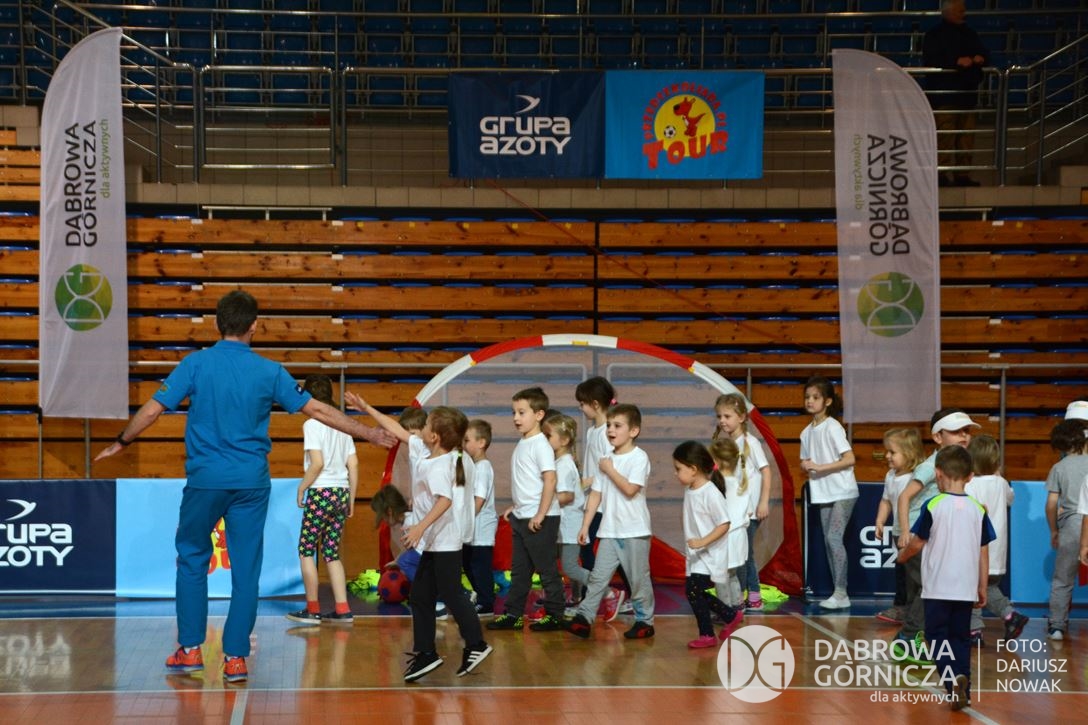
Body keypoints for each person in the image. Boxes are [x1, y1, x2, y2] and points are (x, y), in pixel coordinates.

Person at [93, 290, 394, 684]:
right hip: (251, 484)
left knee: (192, 559)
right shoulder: (269, 371)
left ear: (218, 323)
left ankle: (190, 649)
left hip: (205, 482)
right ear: (254, 325)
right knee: (247, 569)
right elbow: (319, 409)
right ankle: (235, 658)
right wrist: (369, 433)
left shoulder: (195, 364)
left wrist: (122, 441)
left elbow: (151, 410)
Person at [344, 395, 491, 681]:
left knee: (451, 594)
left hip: (444, 540)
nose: (421, 427)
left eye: (426, 425)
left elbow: (445, 500)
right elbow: (398, 431)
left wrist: (419, 527)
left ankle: (476, 644)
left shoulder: (440, 465)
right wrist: (367, 407)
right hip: (435, 541)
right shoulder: (427, 451)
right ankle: (426, 652)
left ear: (435, 436)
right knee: (422, 596)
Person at [898, 445, 996, 712]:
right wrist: (982, 585)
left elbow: (917, 542)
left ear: (938, 474)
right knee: (960, 638)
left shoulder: (933, 505)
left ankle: (952, 682)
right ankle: (964, 688)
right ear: (970, 476)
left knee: (935, 637)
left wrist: (902, 556)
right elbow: (983, 550)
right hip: (965, 588)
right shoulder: (978, 509)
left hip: (938, 588)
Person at [566, 404, 656, 640]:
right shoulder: (606, 460)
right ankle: (584, 617)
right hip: (609, 531)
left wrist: (610, 470)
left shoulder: (639, 457)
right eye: (608, 425)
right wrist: (585, 525)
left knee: (638, 580)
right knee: (598, 577)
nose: (610, 430)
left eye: (617, 426)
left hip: (634, 531)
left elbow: (630, 489)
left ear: (634, 431)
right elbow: (596, 494)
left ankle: (645, 620)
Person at [895, 407, 979, 655]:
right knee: (929, 586)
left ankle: (916, 638)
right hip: (917, 533)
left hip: (931, 533)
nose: (964, 435)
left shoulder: (956, 464)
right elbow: (904, 496)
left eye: (966, 430)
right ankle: (908, 637)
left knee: (923, 588)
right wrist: (905, 531)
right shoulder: (931, 465)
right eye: (956, 431)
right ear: (937, 437)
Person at [487, 387, 566, 632]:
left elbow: (550, 480)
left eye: (522, 412)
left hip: (540, 518)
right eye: (514, 412)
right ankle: (514, 614)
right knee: (520, 571)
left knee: (546, 570)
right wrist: (517, 506)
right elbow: (529, 483)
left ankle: (555, 615)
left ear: (539, 414)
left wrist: (540, 514)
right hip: (523, 516)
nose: (516, 418)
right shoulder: (523, 442)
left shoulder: (540, 445)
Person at [286, 374, 359, 626]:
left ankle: (313, 609)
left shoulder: (312, 424)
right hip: (341, 491)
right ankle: (343, 609)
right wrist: (351, 498)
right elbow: (353, 464)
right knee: (331, 552)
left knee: (307, 549)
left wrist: (301, 487)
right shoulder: (342, 423)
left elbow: (317, 463)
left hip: (321, 491)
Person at [673, 440, 744, 649]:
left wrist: (702, 542)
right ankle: (726, 618)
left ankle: (711, 630)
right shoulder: (690, 489)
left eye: (678, 469)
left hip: (710, 553)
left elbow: (724, 524)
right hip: (697, 553)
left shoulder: (710, 492)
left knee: (693, 591)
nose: (676, 473)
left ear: (693, 469)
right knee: (693, 592)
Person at [799, 376, 859, 610]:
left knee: (834, 538)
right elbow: (805, 460)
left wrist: (821, 467)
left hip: (842, 490)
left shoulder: (833, 426)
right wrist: (806, 465)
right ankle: (838, 592)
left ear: (828, 401)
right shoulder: (806, 432)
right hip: (823, 492)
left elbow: (850, 458)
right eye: (807, 397)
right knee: (828, 540)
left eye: (815, 397)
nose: (810, 401)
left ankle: (842, 592)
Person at [965, 434, 1027, 644]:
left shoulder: (969, 484)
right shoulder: (1001, 483)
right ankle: (1009, 615)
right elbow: (1011, 499)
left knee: (973, 589)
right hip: (998, 551)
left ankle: (976, 630)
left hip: (978, 549)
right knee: (988, 588)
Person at [575, 376, 628, 619]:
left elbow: (609, 467)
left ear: (595, 404)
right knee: (603, 551)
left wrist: (587, 482)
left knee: (589, 549)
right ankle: (598, 596)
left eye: (582, 403)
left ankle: (596, 597)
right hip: (594, 501)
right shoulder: (594, 431)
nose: (580, 408)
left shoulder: (607, 432)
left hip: (604, 503)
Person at [713, 393, 771, 611]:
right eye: (719, 416)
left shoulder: (750, 443)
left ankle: (752, 595)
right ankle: (742, 595)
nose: (722, 421)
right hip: (739, 510)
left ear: (742, 417)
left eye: (727, 416)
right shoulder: (732, 444)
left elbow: (766, 471)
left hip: (750, 510)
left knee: (745, 555)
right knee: (740, 554)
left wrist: (763, 502)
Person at [923, 0, 989, 187]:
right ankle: (941, 175)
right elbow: (931, 59)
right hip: (945, 95)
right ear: (949, 12)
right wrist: (956, 61)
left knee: (966, 137)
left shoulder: (970, 33)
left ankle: (962, 174)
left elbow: (984, 53)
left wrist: (981, 58)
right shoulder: (935, 35)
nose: (964, 14)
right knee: (945, 136)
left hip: (966, 94)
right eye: (960, 10)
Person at [873, 427, 926, 625]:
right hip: (898, 533)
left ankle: (908, 609)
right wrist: (880, 520)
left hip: (911, 533)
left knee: (912, 574)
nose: (887, 456)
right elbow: (886, 500)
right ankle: (905, 609)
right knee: (902, 571)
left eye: (892, 452)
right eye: (887, 451)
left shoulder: (915, 478)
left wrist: (907, 531)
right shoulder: (891, 475)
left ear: (909, 453)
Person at [1047, 417, 1088, 641]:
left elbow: (1051, 504)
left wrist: (1054, 530)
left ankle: (1056, 626)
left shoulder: (1058, 468)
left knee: (1063, 578)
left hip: (1072, 524)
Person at [544, 412, 590, 609]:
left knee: (570, 567)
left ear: (563, 440)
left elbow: (567, 496)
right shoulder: (560, 462)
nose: (544, 440)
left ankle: (607, 591)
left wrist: (542, 502)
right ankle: (573, 596)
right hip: (563, 525)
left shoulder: (563, 465)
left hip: (570, 525)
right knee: (557, 563)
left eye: (548, 436)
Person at [463, 419, 498, 616]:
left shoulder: (483, 467)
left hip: (481, 528)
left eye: (467, 440)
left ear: (481, 443)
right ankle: (481, 595)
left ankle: (486, 602)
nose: (464, 444)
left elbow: (480, 498)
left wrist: (467, 518)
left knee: (480, 565)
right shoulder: (475, 466)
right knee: (468, 562)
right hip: (473, 528)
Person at [710, 437, 748, 608]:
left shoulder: (716, 486)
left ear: (717, 461)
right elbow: (749, 512)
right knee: (731, 574)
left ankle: (725, 609)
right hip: (739, 537)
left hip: (725, 538)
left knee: (721, 576)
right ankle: (737, 605)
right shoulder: (742, 484)